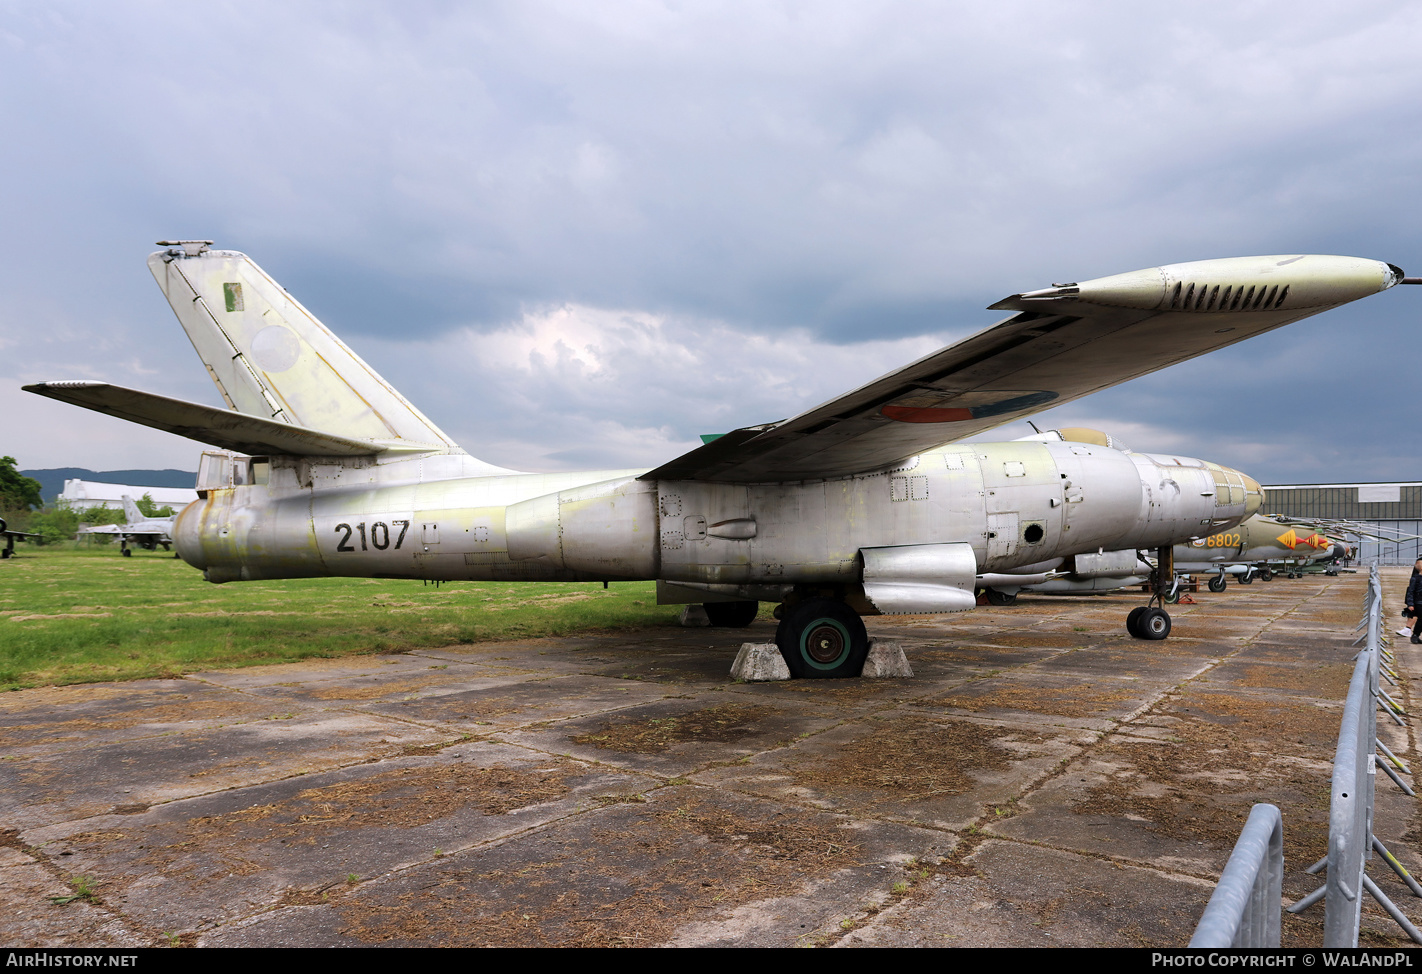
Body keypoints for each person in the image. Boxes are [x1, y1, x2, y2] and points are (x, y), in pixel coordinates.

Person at [1408, 559, 1422, 644]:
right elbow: (1410, 592)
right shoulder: (1415, 579)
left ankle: (1416, 635)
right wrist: (1410, 604)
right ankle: (1415, 635)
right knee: (1421, 619)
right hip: (1419, 602)